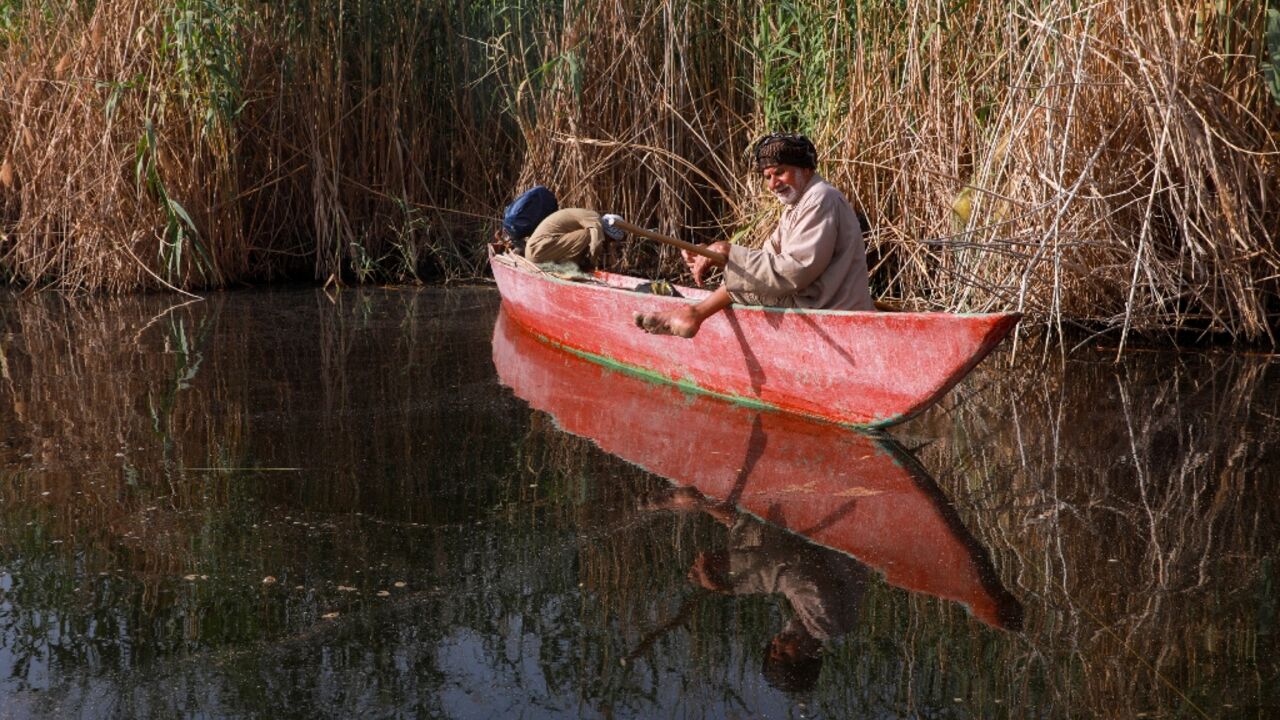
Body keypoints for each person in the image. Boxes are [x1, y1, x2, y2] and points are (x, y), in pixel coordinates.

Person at [634, 134, 873, 338]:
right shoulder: (797, 206)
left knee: (745, 286)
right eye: (767, 176)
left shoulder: (821, 198)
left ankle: (693, 314)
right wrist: (712, 255)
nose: (772, 184)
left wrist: (729, 252)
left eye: (780, 173)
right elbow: (767, 258)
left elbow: (795, 272)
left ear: (806, 169)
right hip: (817, 300)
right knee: (747, 279)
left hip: (830, 305)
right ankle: (692, 314)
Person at [645, 486, 867, 694]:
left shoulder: (814, 624)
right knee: (756, 558)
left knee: (752, 544)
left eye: (773, 649)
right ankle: (701, 503)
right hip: (843, 537)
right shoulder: (825, 626)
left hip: (819, 546)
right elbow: (796, 573)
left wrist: (729, 578)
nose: (777, 643)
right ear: (810, 655)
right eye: (784, 653)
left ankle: (702, 503)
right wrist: (729, 580)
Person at [517, 208, 625, 270]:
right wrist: (592, 264)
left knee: (588, 238)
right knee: (589, 235)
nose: (608, 243)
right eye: (610, 240)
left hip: (539, 251)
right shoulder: (594, 219)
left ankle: (572, 267)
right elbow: (596, 245)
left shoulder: (588, 219)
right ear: (607, 233)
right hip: (538, 251)